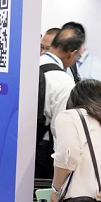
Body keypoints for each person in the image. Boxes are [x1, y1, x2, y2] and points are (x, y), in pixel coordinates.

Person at [34, 26, 82, 178]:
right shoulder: (64, 82)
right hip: (43, 149)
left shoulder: (29, 64)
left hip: (17, 140)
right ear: (72, 53)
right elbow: (60, 129)